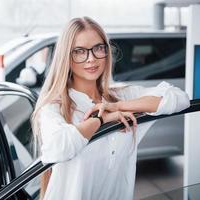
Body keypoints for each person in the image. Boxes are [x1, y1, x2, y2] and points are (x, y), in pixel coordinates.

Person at [31, 17, 190, 200]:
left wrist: (116, 105)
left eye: (98, 48)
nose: (91, 59)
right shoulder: (54, 106)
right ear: (66, 56)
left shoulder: (120, 96)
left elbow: (179, 99)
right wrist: (102, 119)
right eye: (80, 51)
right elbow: (58, 148)